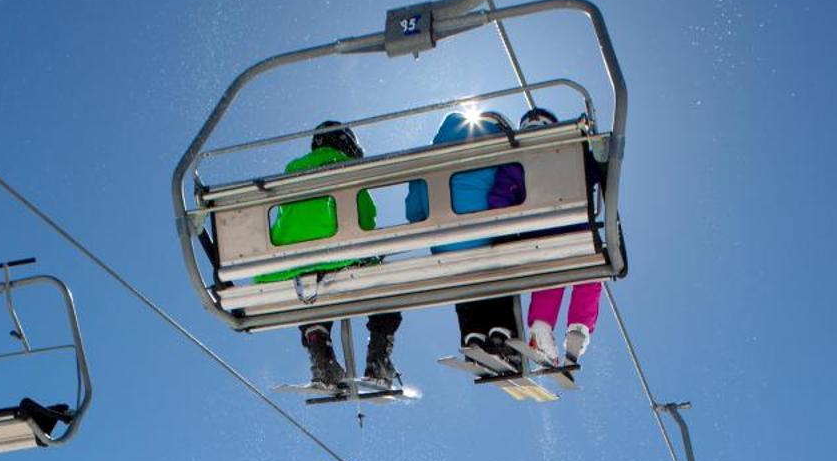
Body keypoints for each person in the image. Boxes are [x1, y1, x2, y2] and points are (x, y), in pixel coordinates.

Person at [258, 122, 404, 389]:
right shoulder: (348, 170)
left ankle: (320, 348)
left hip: (291, 267)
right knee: (384, 278)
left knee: (311, 283)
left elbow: (283, 224)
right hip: (340, 257)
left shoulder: (293, 171)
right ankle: (379, 356)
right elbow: (365, 220)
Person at [407, 111, 523, 366]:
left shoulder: (432, 150)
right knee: (500, 259)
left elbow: (413, 209)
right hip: (486, 235)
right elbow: (512, 189)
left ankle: (473, 335)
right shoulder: (503, 144)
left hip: (445, 243)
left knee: (462, 272)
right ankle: (502, 333)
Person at [516, 106, 603, 367]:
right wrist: (592, 143)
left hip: (538, 235)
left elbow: (507, 194)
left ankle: (541, 327)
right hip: (577, 232)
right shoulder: (573, 151)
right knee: (589, 272)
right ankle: (579, 327)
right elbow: (598, 172)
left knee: (549, 275)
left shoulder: (516, 159)